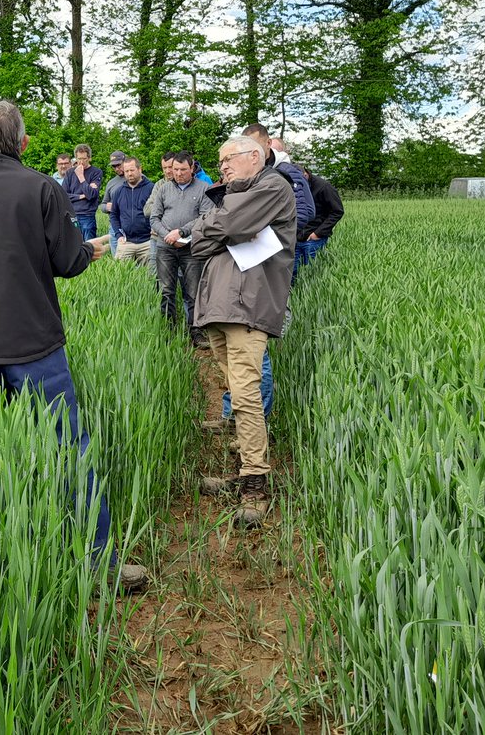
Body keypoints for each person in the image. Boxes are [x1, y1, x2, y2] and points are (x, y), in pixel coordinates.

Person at [0, 100, 149, 592]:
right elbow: (67, 260)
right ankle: (98, 566)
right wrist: (88, 250)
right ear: (23, 144)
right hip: (35, 343)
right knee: (68, 448)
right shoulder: (42, 186)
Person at [193, 135, 296, 528]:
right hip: (221, 304)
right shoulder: (241, 192)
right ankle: (242, 471)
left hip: (248, 306)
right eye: (219, 163)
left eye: (228, 160)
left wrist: (215, 227)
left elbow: (227, 223)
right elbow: (203, 242)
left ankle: (256, 483)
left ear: (256, 155)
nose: (223, 168)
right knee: (236, 390)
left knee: (247, 393)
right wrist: (216, 228)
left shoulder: (272, 186)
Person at [146, 151, 215, 345]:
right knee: (166, 289)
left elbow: (205, 217)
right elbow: (154, 217)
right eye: (175, 169)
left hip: (191, 248)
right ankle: (169, 330)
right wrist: (168, 235)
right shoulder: (164, 189)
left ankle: (196, 332)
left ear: (192, 168)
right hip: (165, 247)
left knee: (192, 291)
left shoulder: (204, 188)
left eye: (183, 169)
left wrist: (182, 233)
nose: (178, 173)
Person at [296, 167, 344, 274]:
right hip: (296, 239)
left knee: (311, 274)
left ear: (305, 174)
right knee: (293, 275)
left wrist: (317, 234)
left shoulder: (324, 187)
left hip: (314, 239)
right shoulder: (294, 185)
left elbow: (337, 211)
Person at [110, 156, 155, 266]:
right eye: (126, 171)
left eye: (132, 170)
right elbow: (113, 215)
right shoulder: (118, 192)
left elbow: (159, 212)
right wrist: (118, 235)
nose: (129, 174)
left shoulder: (152, 188)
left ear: (140, 169)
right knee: (119, 274)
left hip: (147, 241)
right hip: (126, 241)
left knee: (151, 276)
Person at [63, 143, 103, 240]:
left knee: (89, 246)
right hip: (72, 214)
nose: (81, 162)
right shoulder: (70, 172)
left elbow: (91, 195)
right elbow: (63, 195)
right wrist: (80, 196)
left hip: (87, 214)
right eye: (79, 159)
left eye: (84, 159)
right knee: (73, 246)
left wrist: (81, 176)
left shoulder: (96, 172)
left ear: (89, 158)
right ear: (75, 158)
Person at [102, 150, 127, 254]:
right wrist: (107, 207)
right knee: (117, 261)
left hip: (133, 226)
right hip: (115, 226)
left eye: (119, 165)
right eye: (114, 166)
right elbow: (102, 205)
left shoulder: (139, 179)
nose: (117, 168)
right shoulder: (111, 183)